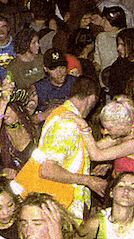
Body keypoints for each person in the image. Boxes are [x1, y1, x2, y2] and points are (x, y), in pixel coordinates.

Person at [34, 75, 105, 219]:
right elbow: (48, 170)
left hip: (64, 202)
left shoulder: (64, 114)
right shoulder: (68, 124)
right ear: (92, 98)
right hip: (64, 205)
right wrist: (87, 180)